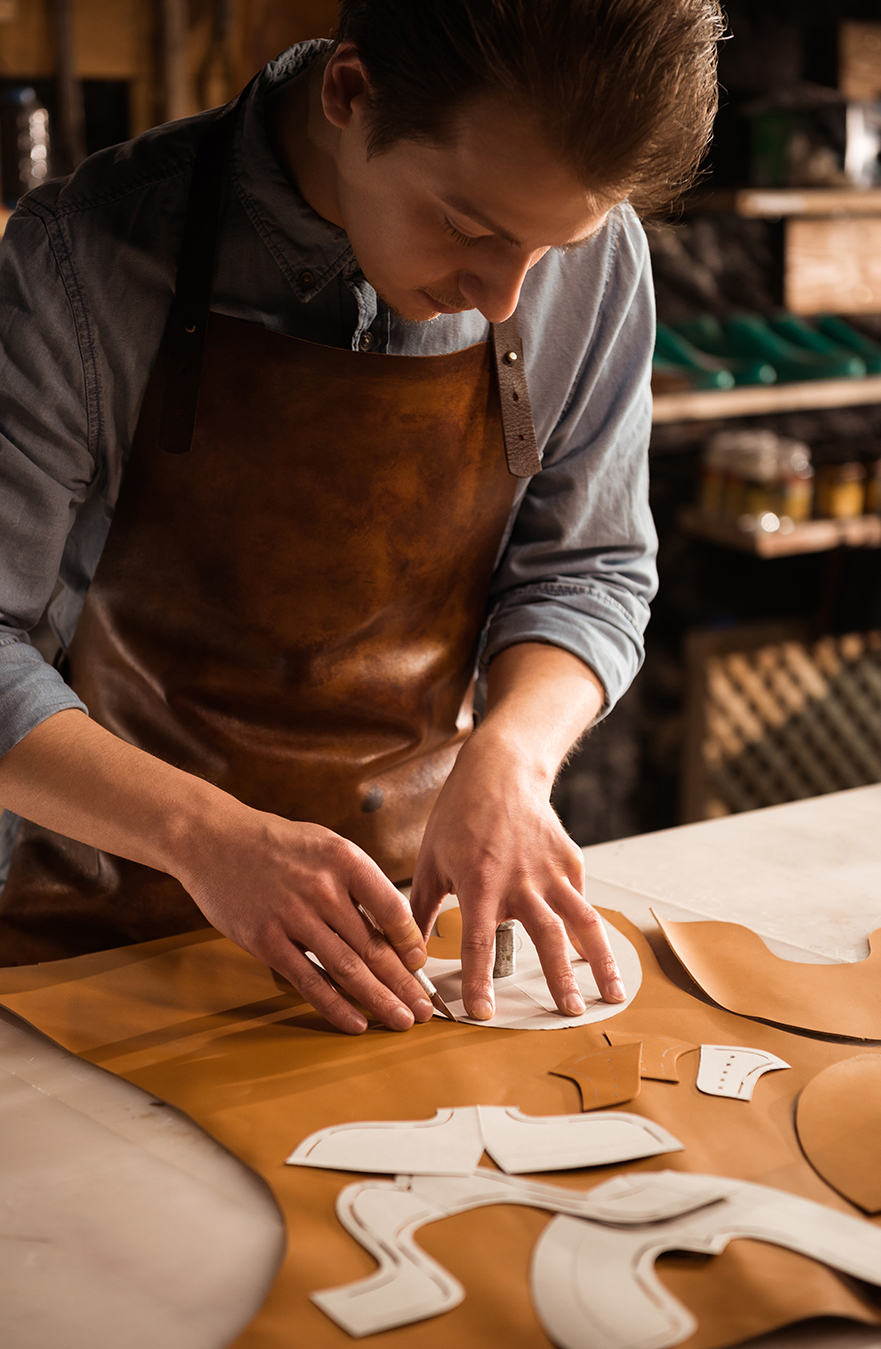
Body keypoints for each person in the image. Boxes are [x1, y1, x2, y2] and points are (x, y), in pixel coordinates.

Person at [0, 0, 722, 1032]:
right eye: (469, 228)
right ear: (348, 93)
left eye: (553, 248)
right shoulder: (82, 258)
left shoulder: (599, 265)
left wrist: (512, 755)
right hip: (99, 939)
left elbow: (589, 571)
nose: (505, 297)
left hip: (407, 947)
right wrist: (208, 837)